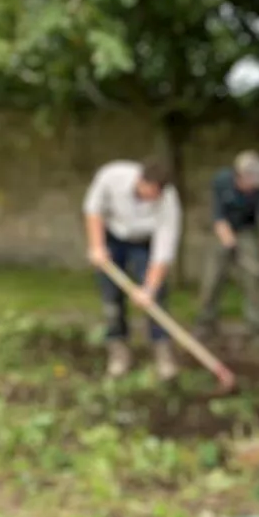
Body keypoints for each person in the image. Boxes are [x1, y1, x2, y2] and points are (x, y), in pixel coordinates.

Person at [82, 155, 183, 380]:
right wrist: (97, 246)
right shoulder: (112, 176)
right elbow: (93, 209)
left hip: (144, 243)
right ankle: (118, 350)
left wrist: (149, 288)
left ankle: (162, 352)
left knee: (156, 298)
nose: (151, 199)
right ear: (141, 180)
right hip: (113, 236)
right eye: (150, 192)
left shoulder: (168, 201)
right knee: (111, 297)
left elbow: (164, 247)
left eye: (157, 195)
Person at [193, 150, 259, 337]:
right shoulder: (221, 181)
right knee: (213, 277)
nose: (254, 186)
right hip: (222, 230)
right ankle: (206, 322)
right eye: (251, 181)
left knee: (254, 278)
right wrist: (230, 244)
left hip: (246, 231)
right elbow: (218, 217)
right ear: (239, 176)